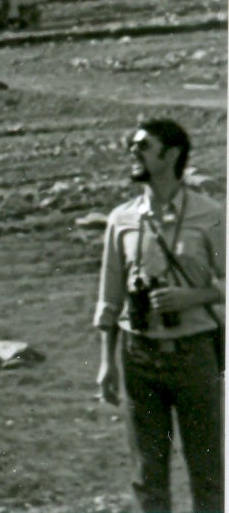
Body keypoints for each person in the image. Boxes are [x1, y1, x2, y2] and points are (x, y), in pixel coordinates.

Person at [95, 116, 224, 513]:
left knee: (208, 473)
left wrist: (191, 298)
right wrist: (106, 364)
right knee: (147, 476)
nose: (132, 154)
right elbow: (110, 297)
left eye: (142, 147)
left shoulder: (211, 216)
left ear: (171, 155)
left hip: (195, 356)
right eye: (132, 147)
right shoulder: (122, 219)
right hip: (138, 358)